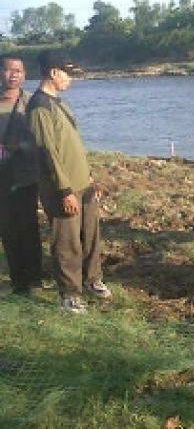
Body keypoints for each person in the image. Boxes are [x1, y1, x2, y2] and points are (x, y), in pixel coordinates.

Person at [27, 50, 111, 313]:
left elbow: (70, 146)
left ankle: (91, 281)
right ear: (53, 73)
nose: (70, 79)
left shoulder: (59, 102)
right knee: (67, 243)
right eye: (68, 73)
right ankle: (69, 295)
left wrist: (89, 179)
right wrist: (64, 191)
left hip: (82, 184)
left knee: (90, 236)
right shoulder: (40, 107)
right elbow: (47, 153)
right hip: (62, 188)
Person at [0, 54, 43, 295]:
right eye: (8, 70)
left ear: (25, 74)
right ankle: (18, 280)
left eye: (19, 70)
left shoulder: (32, 103)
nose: (14, 74)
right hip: (1, 175)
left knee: (28, 225)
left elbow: (42, 138)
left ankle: (34, 278)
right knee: (7, 227)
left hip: (26, 175)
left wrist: (21, 147)